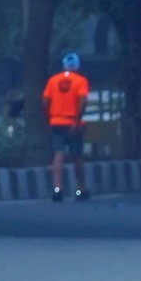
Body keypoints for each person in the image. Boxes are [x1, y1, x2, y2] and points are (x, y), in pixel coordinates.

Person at [43, 52, 91, 200]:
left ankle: (58, 189)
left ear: (64, 65)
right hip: (72, 123)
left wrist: (49, 119)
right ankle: (80, 189)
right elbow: (83, 101)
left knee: (58, 154)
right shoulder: (81, 81)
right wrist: (76, 121)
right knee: (77, 156)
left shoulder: (53, 80)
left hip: (56, 122)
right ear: (77, 65)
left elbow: (45, 102)